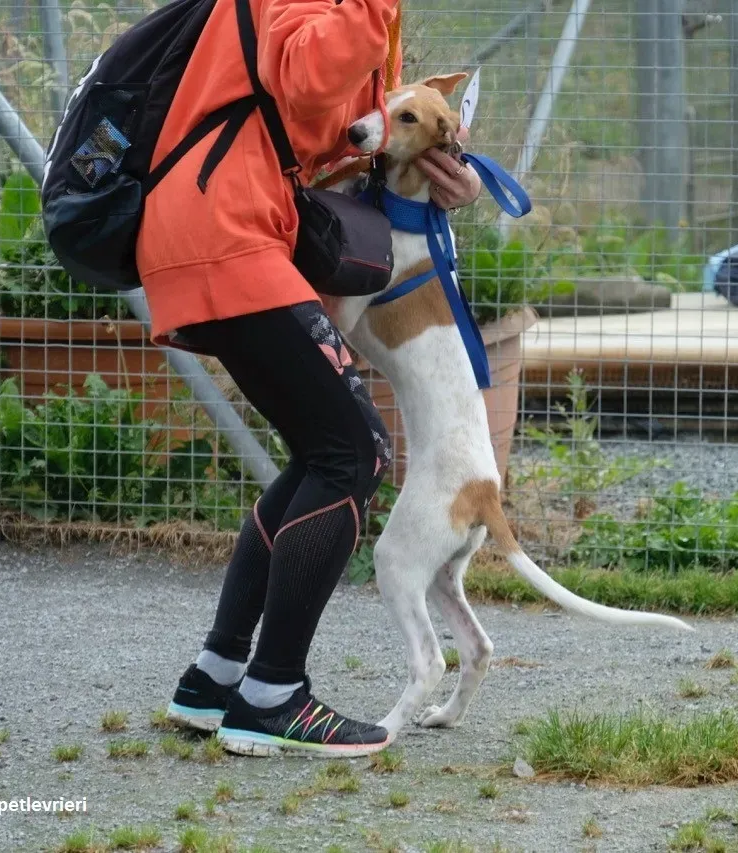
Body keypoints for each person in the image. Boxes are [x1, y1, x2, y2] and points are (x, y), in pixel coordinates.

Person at [136, 0, 482, 756]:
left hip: (227, 226)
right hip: (224, 230)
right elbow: (306, 75)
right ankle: (271, 696)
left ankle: (215, 677)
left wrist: (436, 167)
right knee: (352, 451)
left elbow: (323, 123)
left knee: (321, 448)